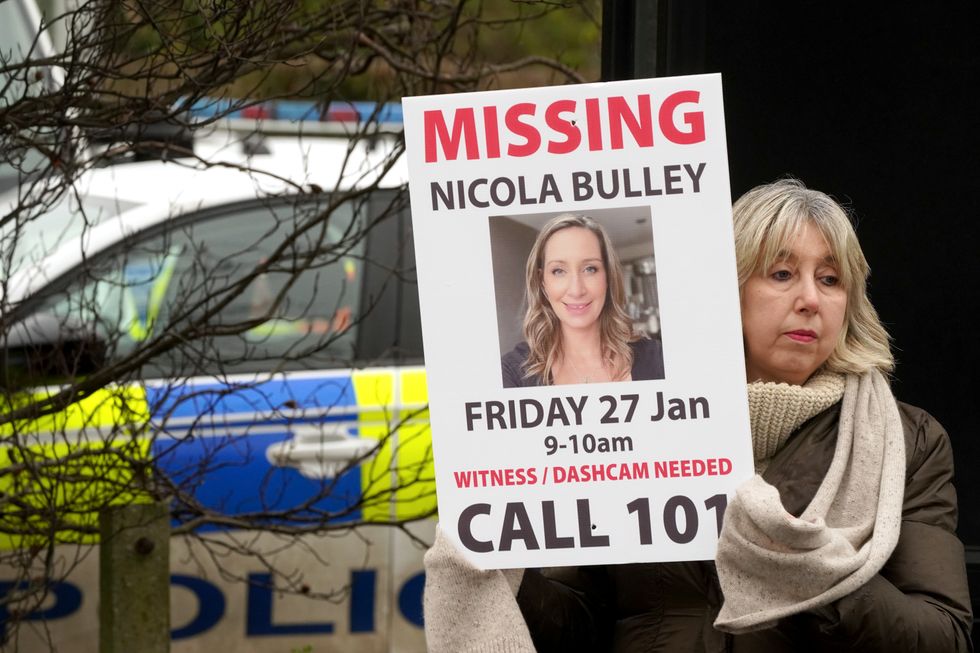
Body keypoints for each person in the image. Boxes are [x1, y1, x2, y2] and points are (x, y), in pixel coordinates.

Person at [423, 179, 973, 652]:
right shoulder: (642, 418)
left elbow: (944, 636)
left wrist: (807, 568)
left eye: (830, 279)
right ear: (724, 290)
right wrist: (506, 573)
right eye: (781, 274)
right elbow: (584, 626)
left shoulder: (911, 440)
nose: (809, 298)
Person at [500, 213, 664, 387]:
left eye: (590, 269)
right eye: (558, 271)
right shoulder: (512, 373)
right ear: (543, 283)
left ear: (607, 277)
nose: (576, 290)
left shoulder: (658, 358)